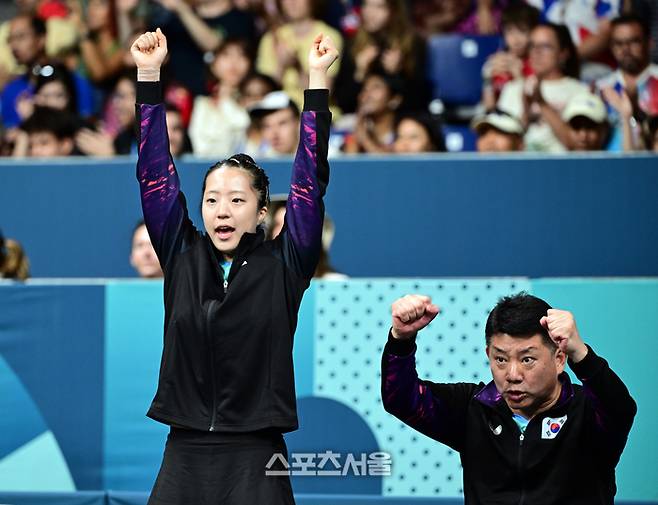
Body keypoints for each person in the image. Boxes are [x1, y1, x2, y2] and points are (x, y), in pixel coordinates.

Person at [131, 27, 338, 504]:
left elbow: (309, 181)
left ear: (262, 211)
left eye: (236, 199)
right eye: (211, 199)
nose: (221, 210)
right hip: (183, 452)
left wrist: (315, 82)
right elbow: (154, 175)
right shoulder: (181, 254)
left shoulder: (286, 262)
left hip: (256, 454)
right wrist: (148, 75)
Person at [382, 292, 637, 504]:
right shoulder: (474, 407)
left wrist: (580, 353)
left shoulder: (588, 412)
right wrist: (401, 339)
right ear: (488, 354)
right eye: (500, 359)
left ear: (559, 359)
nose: (512, 375)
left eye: (527, 359)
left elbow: (620, 408)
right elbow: (401, 399)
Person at [497, 22, 589, 152]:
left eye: (545, 46)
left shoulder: (580, 91)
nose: (536, 52)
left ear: (563, 53)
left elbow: (577, 145)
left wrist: (542, 104)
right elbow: (502, 147)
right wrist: (525, 116)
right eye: (532, 46)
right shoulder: (512, 89)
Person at [597, 15, 658, 151]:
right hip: (609, 164)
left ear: (649, 43)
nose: (625, 49)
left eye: (633, 42)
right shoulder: (601, 89)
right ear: (611, 47)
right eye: (618, 43)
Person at [248, 90, 300, 156]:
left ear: (298, 123)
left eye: (282, 123)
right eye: (267, 126)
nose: (274, 133)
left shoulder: (314, 160)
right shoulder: (256, 160)